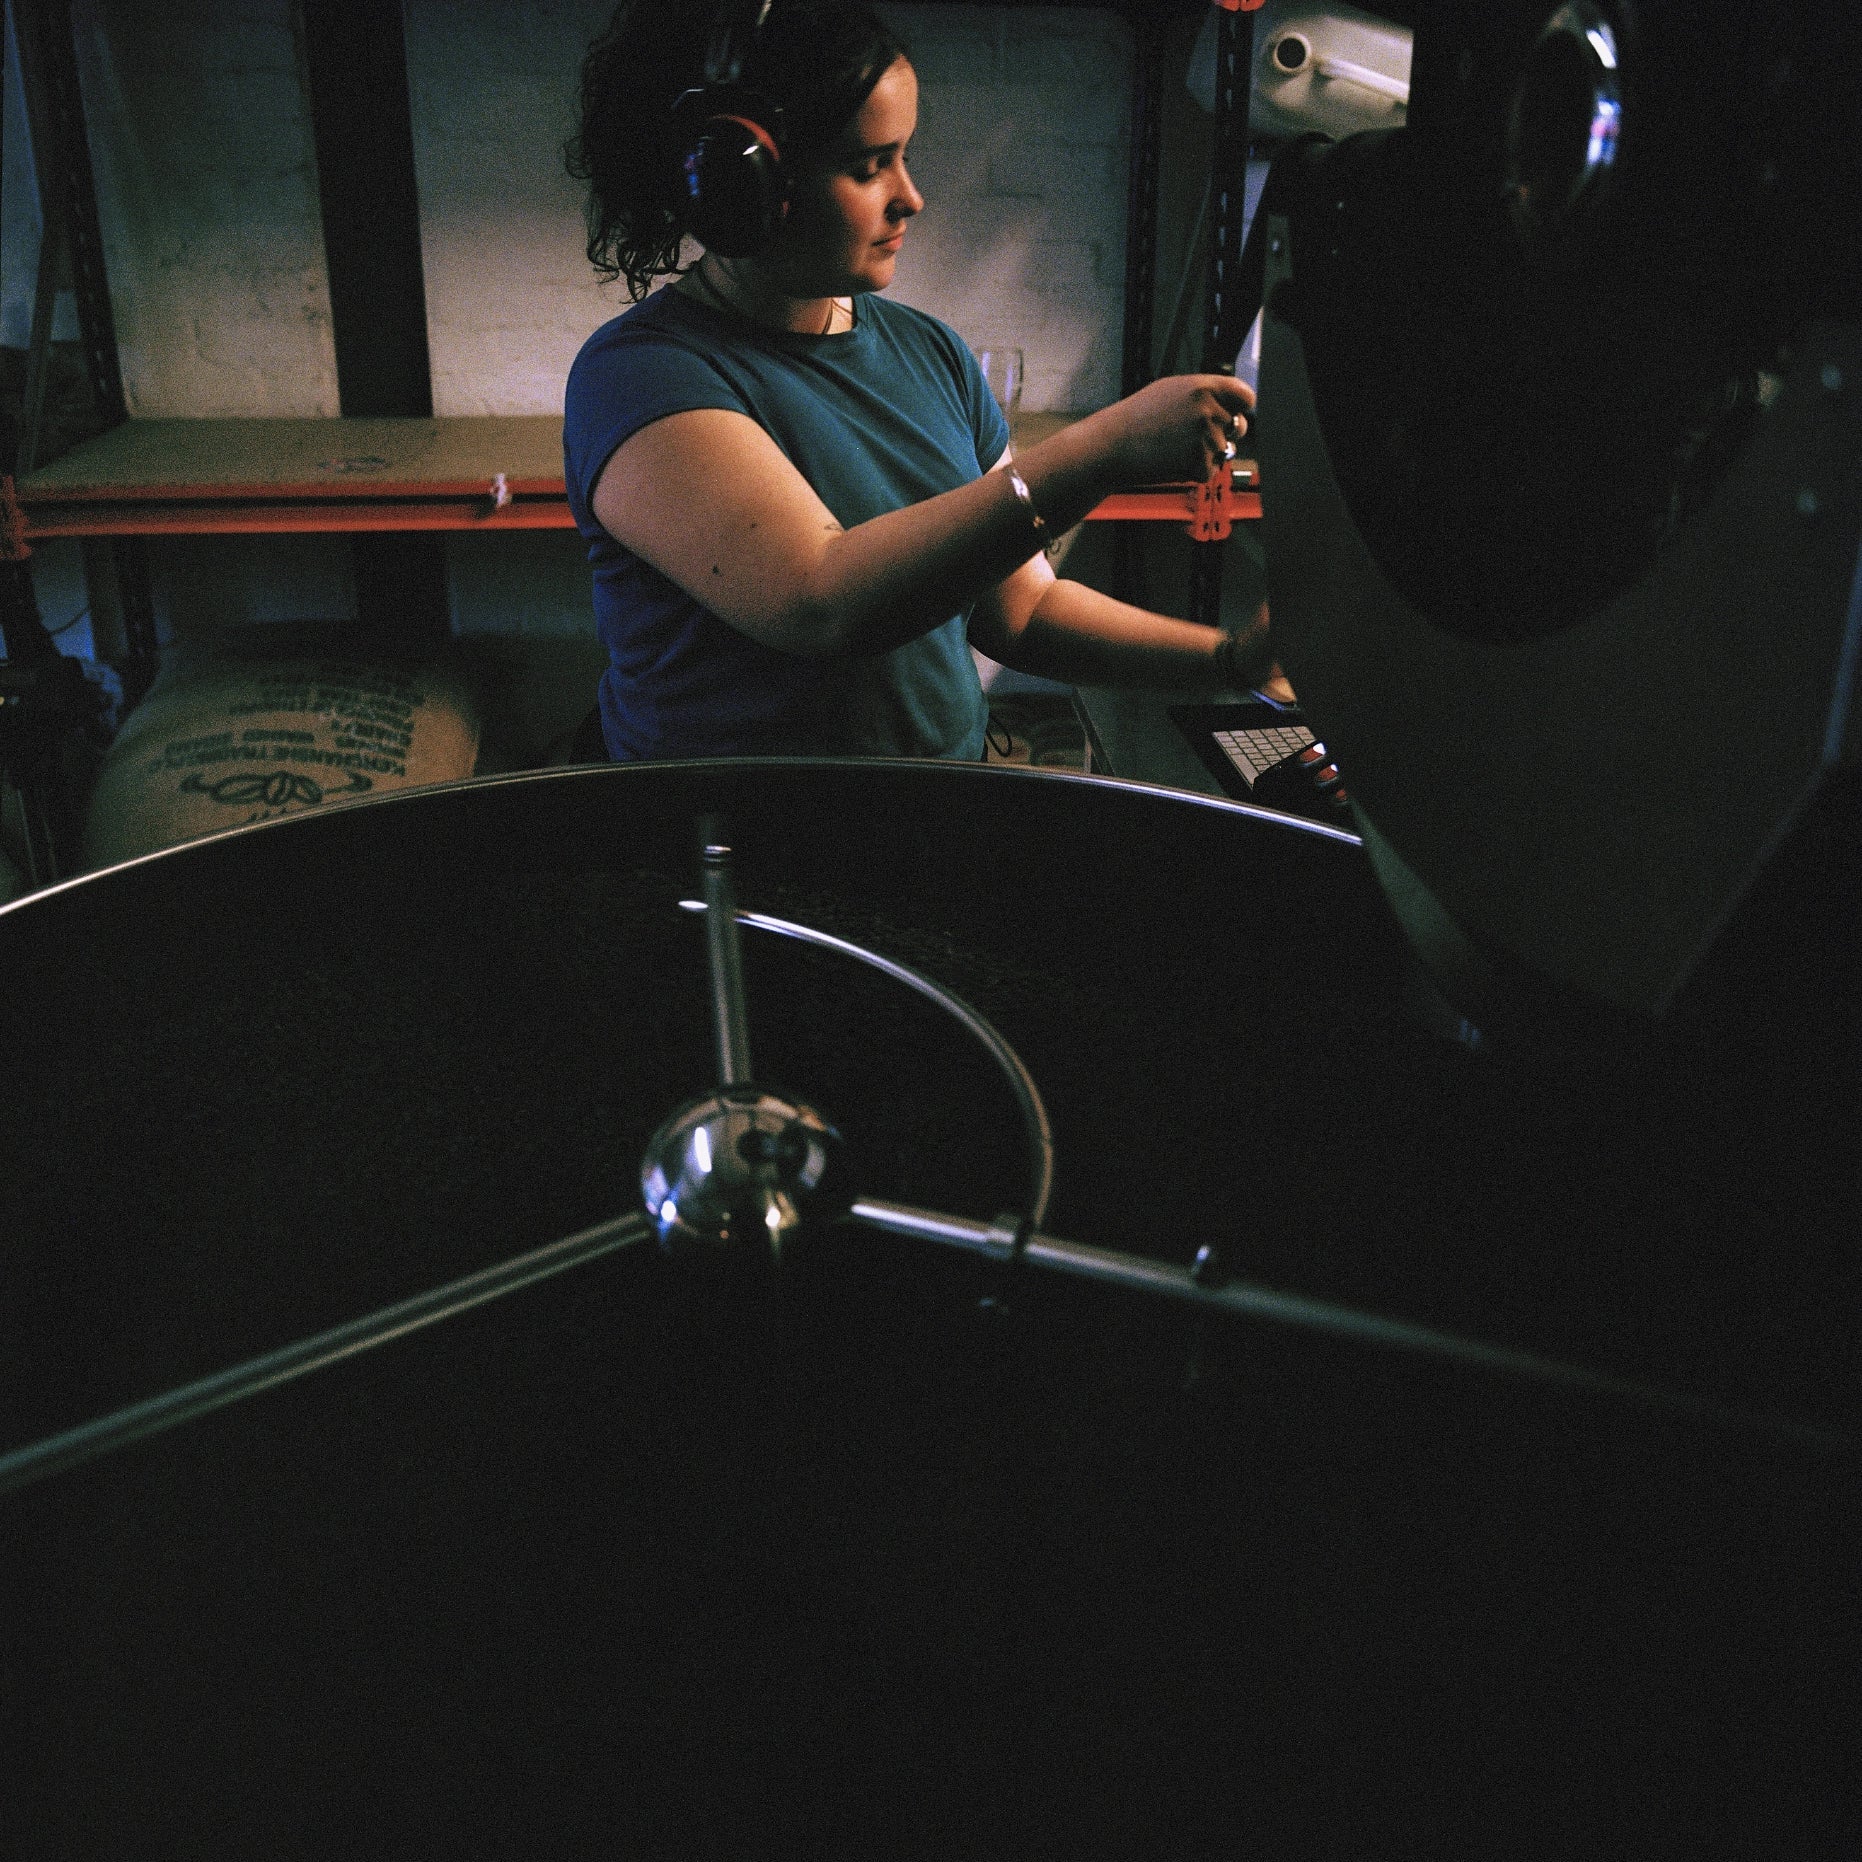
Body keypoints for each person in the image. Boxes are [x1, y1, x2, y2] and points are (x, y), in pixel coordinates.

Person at [562, 0, 1275, 763]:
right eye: (869, 166)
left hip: (933, 828)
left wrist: (1228, 661)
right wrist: (1102, 448)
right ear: (744, 185)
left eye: (903, 156)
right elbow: (821, 601)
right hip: (737, 851)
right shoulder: (641, 375)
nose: (911, 196)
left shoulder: (930, 352)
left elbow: (1020, 611)